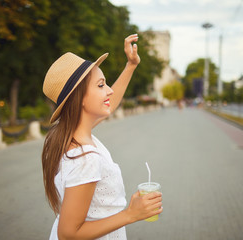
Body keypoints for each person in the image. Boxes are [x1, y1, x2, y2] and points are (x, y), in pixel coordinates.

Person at [42, 34, 163, 240]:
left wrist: (130, 66)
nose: (109, 91)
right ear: (79, 98)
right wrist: (131, 214)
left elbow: (111, 101)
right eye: (100, 85)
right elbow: (68, 234)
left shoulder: (64, 134)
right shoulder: (85, 158)